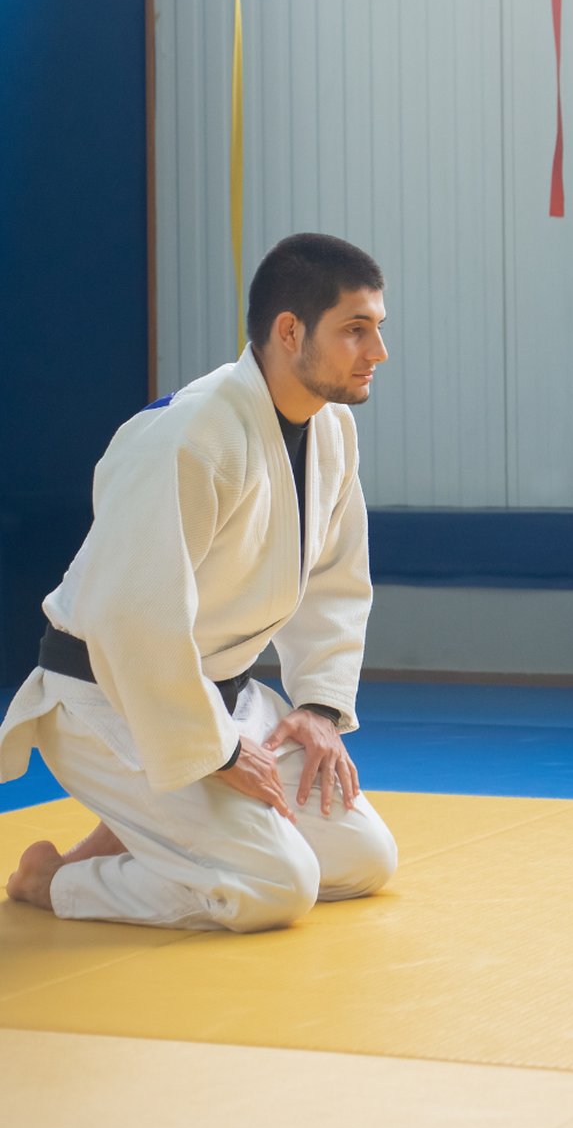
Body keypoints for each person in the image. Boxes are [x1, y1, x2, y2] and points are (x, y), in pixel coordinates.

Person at [1, 233, 398, 932]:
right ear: (289, 331)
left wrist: (319, 707)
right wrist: (211, 751)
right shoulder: (191, 436)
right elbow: (131, 615)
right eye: (355, 330)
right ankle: (55, 882)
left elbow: (337, 577)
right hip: (112, 701)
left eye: (378, 329)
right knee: (278, 886)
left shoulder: (331, 430)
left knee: (366, 858)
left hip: (224, 696)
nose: (377, 353)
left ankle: (144, 826)